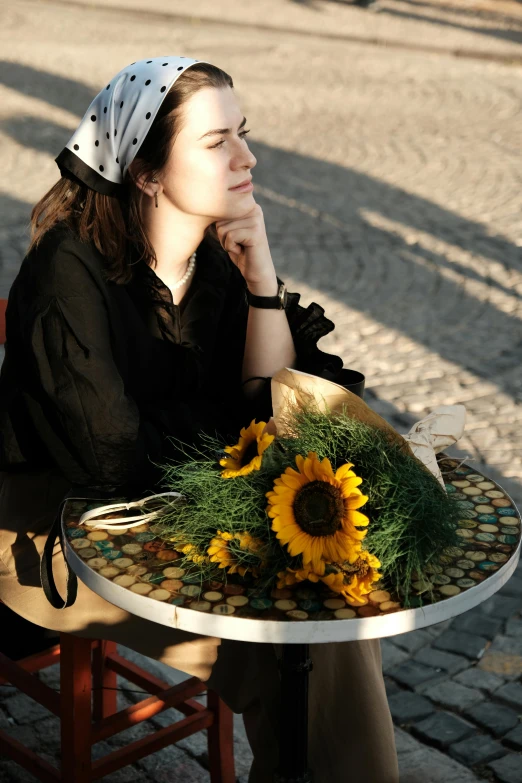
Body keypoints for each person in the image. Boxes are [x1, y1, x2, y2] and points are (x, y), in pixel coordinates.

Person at [0, 56, 399, 782]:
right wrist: (240, 453)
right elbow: (116, 459)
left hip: (178, 521)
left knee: (338, 612)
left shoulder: (216, 263)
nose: (247, 156)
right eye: (216, 142)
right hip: (54, 538)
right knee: (298, 645)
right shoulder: (68, 274)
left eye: (241, 134)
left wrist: (261, 280)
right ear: (147, 172)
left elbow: (284, 406)